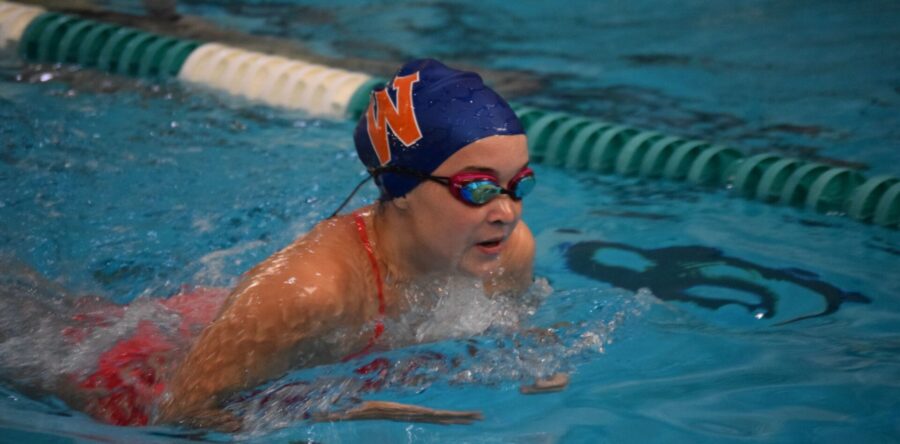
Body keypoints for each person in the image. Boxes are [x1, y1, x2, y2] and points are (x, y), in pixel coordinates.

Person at [153, 58, 538, 428]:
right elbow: (181, 417)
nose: (507, 212)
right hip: (147, 367)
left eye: (519, 184)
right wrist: (333, 408)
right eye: (477, 188)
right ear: (402, 188)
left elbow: (508, 333)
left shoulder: (508, 251)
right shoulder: (308, 292)